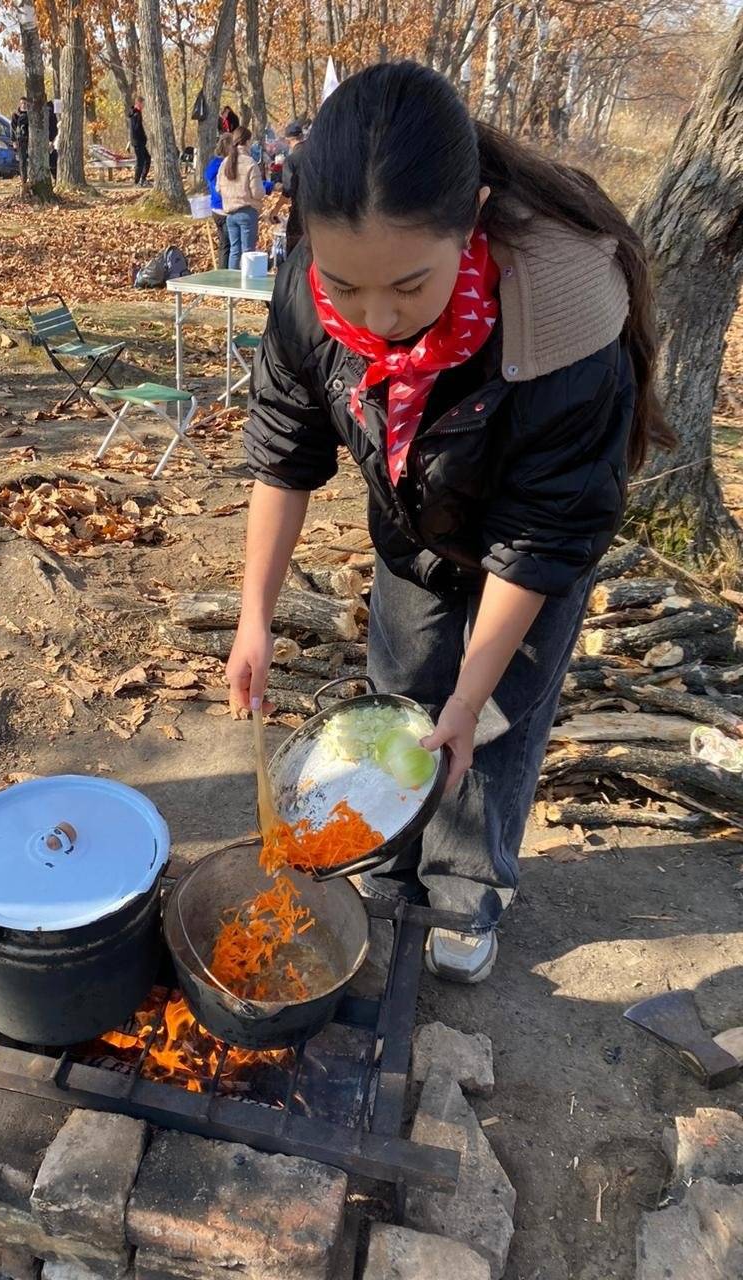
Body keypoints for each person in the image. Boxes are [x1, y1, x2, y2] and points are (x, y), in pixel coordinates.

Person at [226, 62, 671, 983]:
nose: (375, 319)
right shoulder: (311, 288)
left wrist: (470, 701)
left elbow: (543, 531)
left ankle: (467, 890)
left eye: (407, 288)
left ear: (469, 216)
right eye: (347, 287)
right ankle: (381, 859)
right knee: (401, 694)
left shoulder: (564, 306)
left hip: (532, 551)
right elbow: (285, 451)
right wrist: (255, 617)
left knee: (491, 724)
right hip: (417, 531)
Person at [218, 126, 265, 270]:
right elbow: (257, 192)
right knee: (248, 252)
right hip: (247, 212)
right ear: (247, 141)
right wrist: (264, 189)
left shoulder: (225, 162)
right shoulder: (250, 162)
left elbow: (218, 188)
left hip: (230, 214)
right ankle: (247, 285)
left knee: (234, 251)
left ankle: (233, 288)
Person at [269, 120, 306, 255]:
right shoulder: (319, 156)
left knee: (295, 253)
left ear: (288, 140)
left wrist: (275, 211)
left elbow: (288, 191)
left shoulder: (292, 160)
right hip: (321, 213)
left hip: (300, 213)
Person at [205, 136, 232, 270]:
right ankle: (228, 273)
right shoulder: (227, 166)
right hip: (225, 208)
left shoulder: (212, 165)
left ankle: (222, 269)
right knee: (231, 244)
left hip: (215, 210)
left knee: (223, 244)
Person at [128, 97, 150, 186]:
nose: (144, 106)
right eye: (143, 104)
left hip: (140, 141)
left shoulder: (137, 113)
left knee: (147, 158)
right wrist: (142, 138)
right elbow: (136, 129)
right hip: (138, 142)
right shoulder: (136, 114)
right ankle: (137, 182)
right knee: (140, 161)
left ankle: (143, 179)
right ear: (138, 103)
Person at [11, 97, 29, 183]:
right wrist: (14, 141)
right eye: (22, 103)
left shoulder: (31, 115)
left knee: (31, 160)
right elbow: (13, 129)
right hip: (21, 141)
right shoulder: (16, 116)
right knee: (22, 161)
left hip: (30, 141)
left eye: (25, 103)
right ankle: (23, 180)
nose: (24, 105)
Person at [47, 100, 59, 181]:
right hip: (49, 139)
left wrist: (51, 140)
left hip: (52, 140)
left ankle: (55, 177)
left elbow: (53, 127)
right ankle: (55, 177)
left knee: (52, 158)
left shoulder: (49, 111)